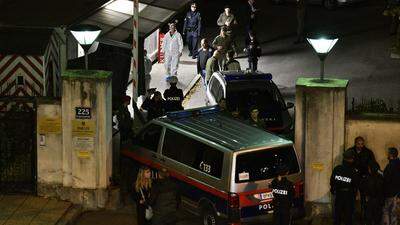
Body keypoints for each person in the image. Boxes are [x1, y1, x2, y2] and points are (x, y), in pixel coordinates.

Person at [346, 136, 376, 221]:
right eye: (358, 144)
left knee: (364, 199)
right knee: (351, 197)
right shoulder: (350, 151)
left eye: (362, 144)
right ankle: (350, 216)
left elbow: (373, 164)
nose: (360, 145)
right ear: (355, 143)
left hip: (364, 178)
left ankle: (364, 217)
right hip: (352, 178)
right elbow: (345, 163)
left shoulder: (368, 152)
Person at [330, 150, 360, 225]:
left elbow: (332, 181)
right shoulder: (353, 171)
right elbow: (356, 184)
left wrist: (333, 190)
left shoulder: (337, 169)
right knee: (348, 216)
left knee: (337, 215)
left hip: (339, 194)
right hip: (349, 196)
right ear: (351, 159)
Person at [382, 147, 400, 225]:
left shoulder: (390, 165)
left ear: (391, 155)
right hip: (397, 193)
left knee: (386, 211)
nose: (387, 155)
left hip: (390, 193)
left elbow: (386, 178)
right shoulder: (398, 163)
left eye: (388, 153)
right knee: (394, 213)